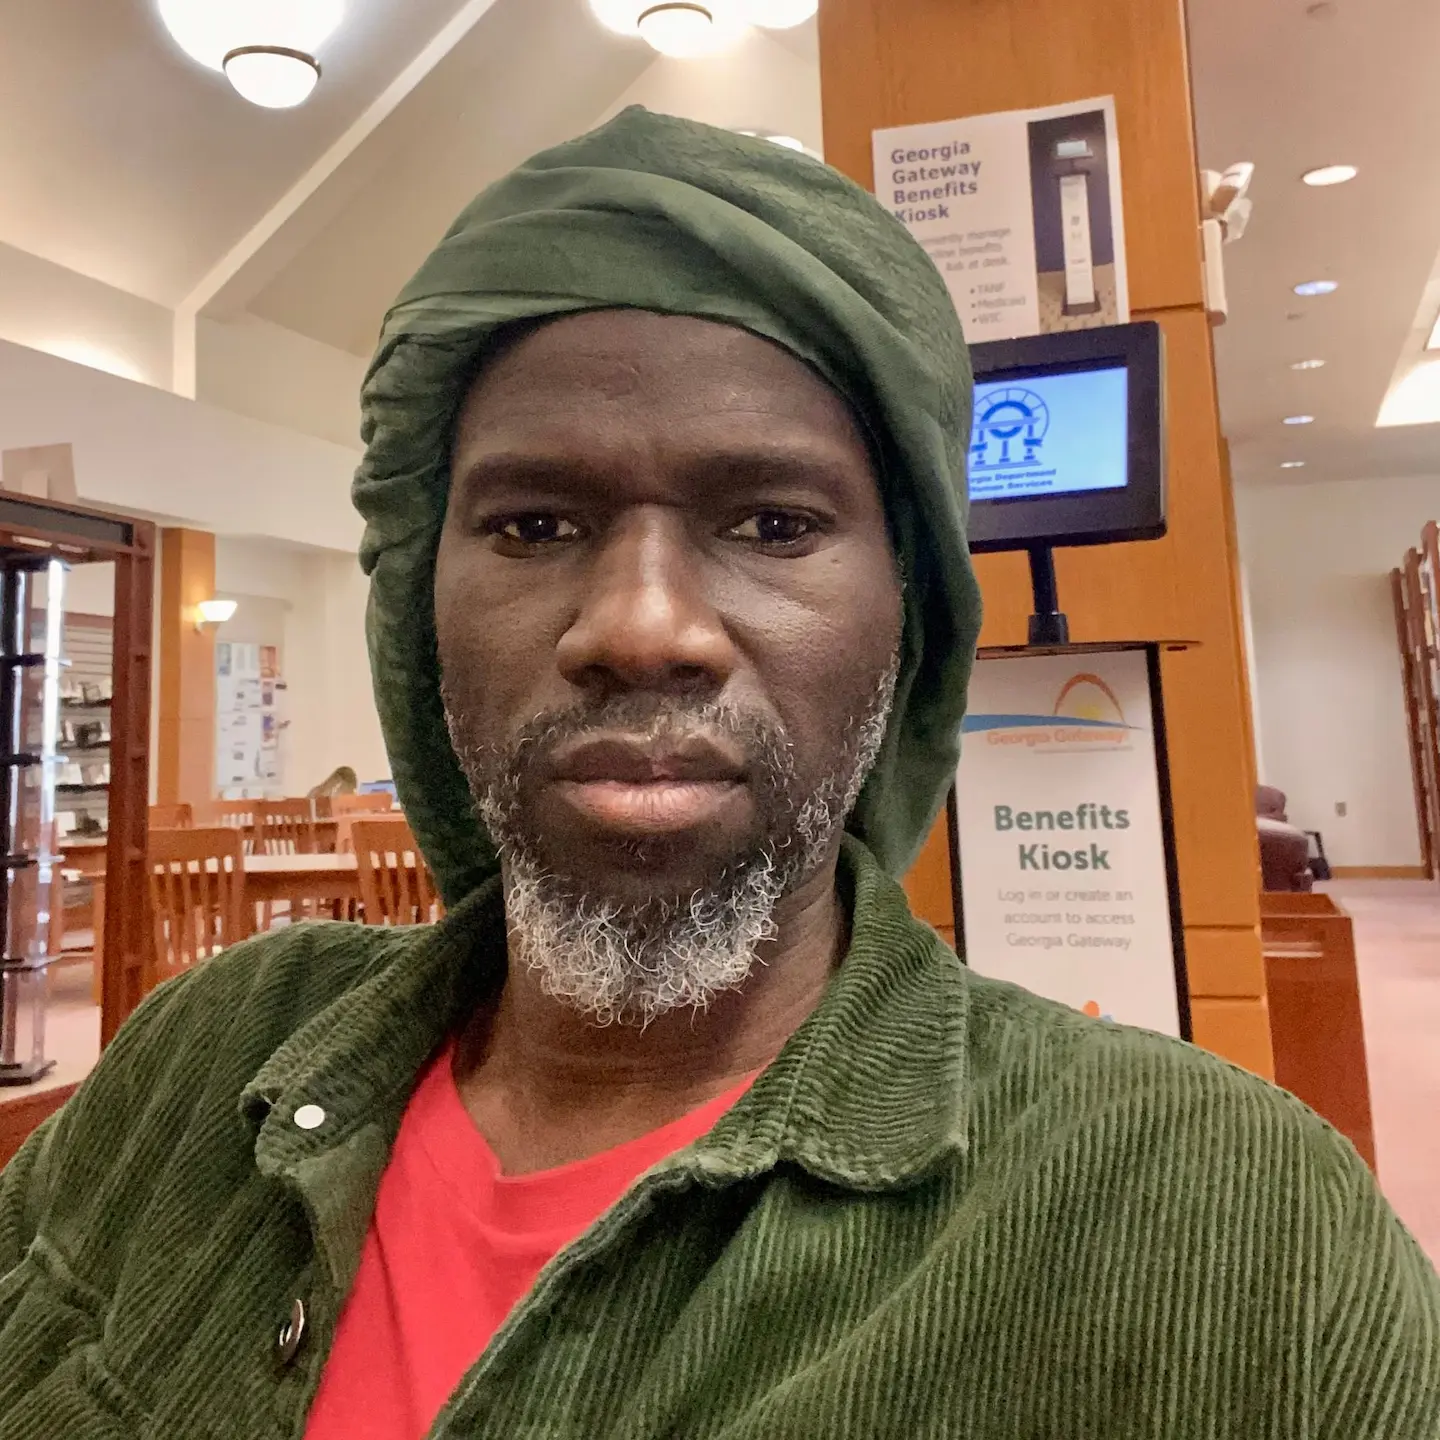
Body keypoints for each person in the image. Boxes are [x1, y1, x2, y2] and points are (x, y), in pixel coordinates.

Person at [1, 110, 1436, 1439]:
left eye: (772, 523)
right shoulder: (206, 1060)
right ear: (418, 612)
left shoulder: (1235, 1237)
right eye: (536, 525)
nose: (642, 629)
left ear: (912, 616)